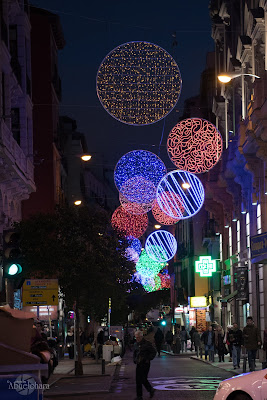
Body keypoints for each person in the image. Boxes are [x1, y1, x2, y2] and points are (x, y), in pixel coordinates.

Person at [133, 330, 156, 400]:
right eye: (136, 337)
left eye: (138, 337)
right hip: (139, 363)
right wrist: (134, 359)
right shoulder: (136, 344)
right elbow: (135, 353)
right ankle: (139, 396)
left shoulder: (147, 344)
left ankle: (150, 389)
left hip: (145, 364)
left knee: (143, 379)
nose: (137, 339)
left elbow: (153, 352)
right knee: (138, 380)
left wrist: (148, 359)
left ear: (141, 337)